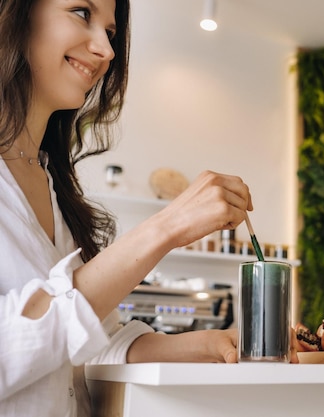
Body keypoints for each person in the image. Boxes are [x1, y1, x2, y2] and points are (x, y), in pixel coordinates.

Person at [0, 0, 297, 416]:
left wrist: (203, 343)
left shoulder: (54, 188)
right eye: (82, 13)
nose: (105, 50)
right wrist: (166, 228)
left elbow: (89, 344)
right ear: (15, 14)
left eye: (111, 32)